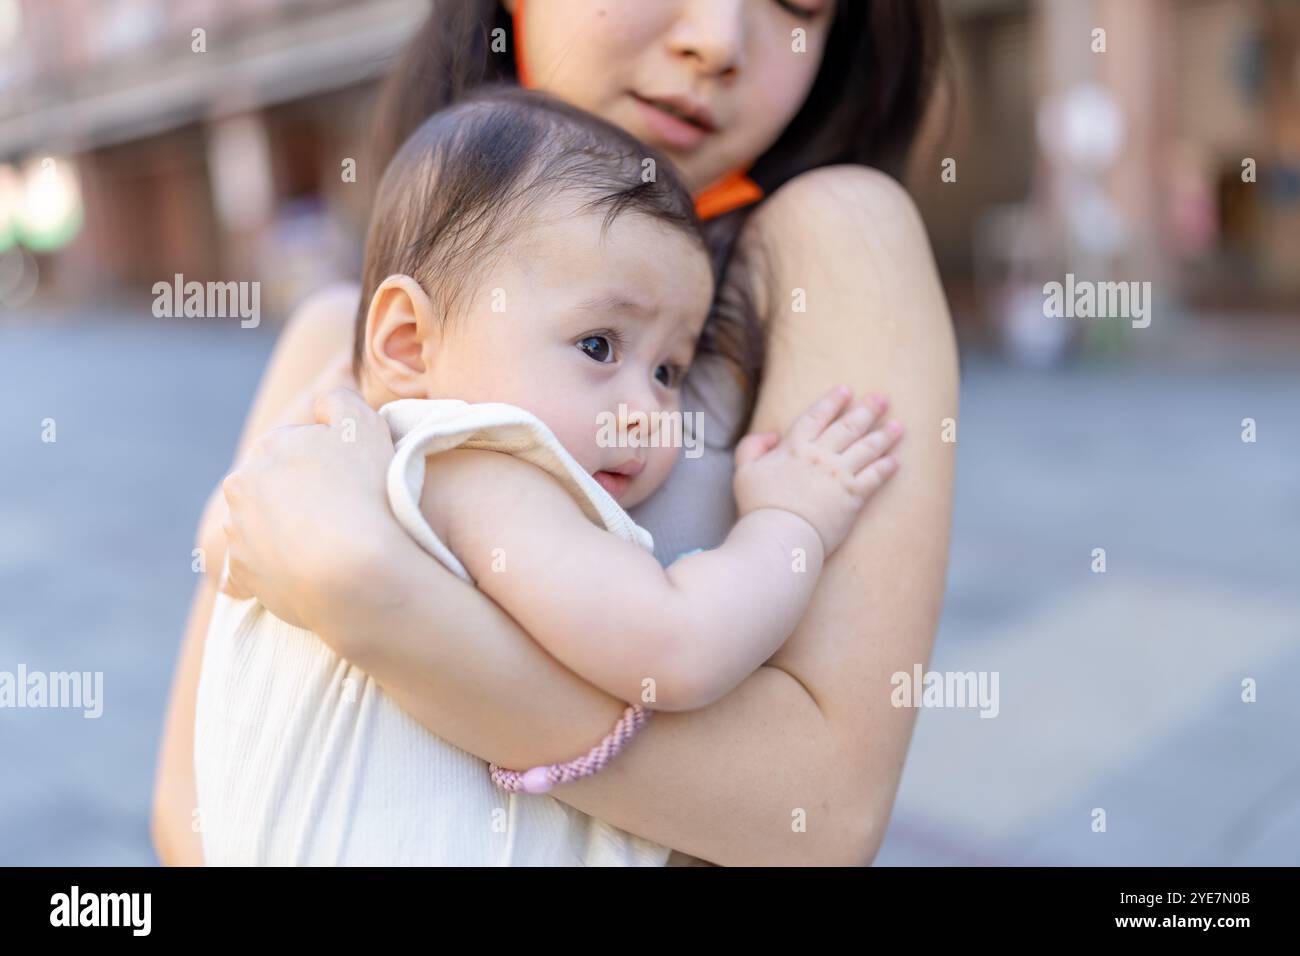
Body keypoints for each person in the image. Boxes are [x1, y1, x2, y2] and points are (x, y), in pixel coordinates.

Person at [154, 0, 957, 867]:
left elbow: (822, 815)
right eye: (598, 346)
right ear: (404, 340)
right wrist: (789, 521)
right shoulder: (334, 338)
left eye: (799, 2)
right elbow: (192, 809)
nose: (719, 40)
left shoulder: (832, 236)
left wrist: (382, 605)